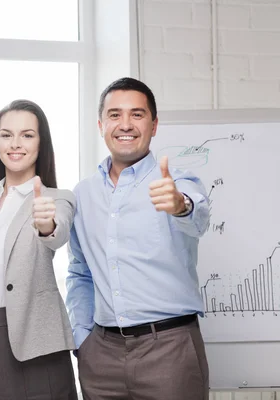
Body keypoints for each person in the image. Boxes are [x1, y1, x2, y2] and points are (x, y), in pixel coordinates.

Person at [65, 77, 210, 400]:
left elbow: (197, 216)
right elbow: (80, 272)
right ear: (101, 124)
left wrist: (179, 205)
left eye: (137, 114)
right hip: (100, 355)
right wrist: (82, 338)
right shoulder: (83, 194)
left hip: (169, 350)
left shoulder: (177, 181)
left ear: (154, 125)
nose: (125, 124)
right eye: (115, 115)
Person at [0, 100, 78, 400]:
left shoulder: (57, 199)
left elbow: (56, 233)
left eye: (27, 135)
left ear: (41, 143)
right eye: (6, 135)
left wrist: (46, 225)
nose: (15, 144)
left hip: (39, 347)